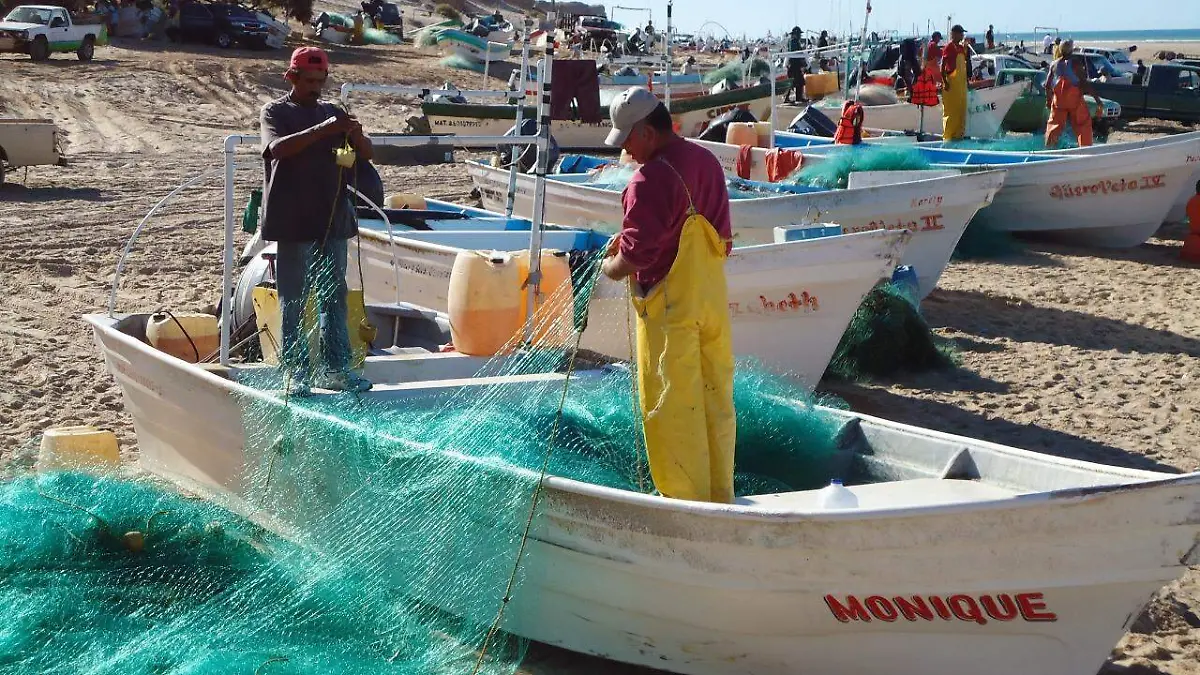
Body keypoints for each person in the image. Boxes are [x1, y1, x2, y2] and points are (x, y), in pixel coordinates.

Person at [599, 87, 736, 504]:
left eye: (627, 137)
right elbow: (723, 240)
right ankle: (720, 497)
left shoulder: (648, 178)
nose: (624, 147)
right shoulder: (706, 160)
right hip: (711, 306)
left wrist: (609, 268)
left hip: (671, 314)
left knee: (673, 411)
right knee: (716, 404)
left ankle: (686, 506)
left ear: (646, 131)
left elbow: (637, 253)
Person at [259, 47, 374, 395]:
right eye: (308, 81)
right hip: (293, 220)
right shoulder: (276, 111)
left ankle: (336, 369)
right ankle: (294, 372)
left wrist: (353, 135)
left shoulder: (334, 112)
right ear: (292, 78)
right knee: (293, 297)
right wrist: (324, 130)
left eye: (320, 81)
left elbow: (367, 155)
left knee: (333, 295)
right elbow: (276, 149)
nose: (315, 87)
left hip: (333, 218)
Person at [1045, 42, 1101, 148]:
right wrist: (1097, 100)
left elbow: (1047, 85)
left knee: (1053, 126)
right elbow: (1084, 83)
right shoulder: (1075, 63)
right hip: (1073, 99)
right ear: (1071, 50)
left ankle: (1049, 148)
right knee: (1083, 123)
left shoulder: (1054, 64)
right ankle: (1085, 148)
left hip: (1059, 101)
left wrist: (1048, 100)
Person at [941, 25, 969, 140]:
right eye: (961, 33)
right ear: (954, 34)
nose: (962, 35)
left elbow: (964, 66)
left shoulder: (961, 48)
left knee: (961, 110)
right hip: (952, 83)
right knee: (951, 112)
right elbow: (942, 65)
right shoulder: (949, 47)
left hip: (961, 85)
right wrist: (945, 81)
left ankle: (959, 136)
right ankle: (948, 138)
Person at [785, 26, 805, 103]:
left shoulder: (794, 41)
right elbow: (795, 52)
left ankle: (799, 97)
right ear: (795, 34)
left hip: (795, 64)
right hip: (793, 64)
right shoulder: (793, 41)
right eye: (799, 34)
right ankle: (787, 98)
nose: (800, 35)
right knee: (791, 82)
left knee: (799, 82)